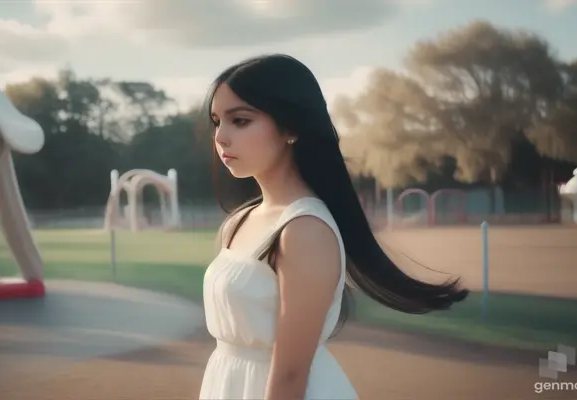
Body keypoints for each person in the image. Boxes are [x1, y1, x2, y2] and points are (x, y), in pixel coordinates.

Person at [198, 54, 468, 400]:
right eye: (217, 121)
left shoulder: (304, 230)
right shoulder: (238, 222)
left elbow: (290, 376)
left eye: (240, 120)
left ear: (291, 128)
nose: (221, 137)